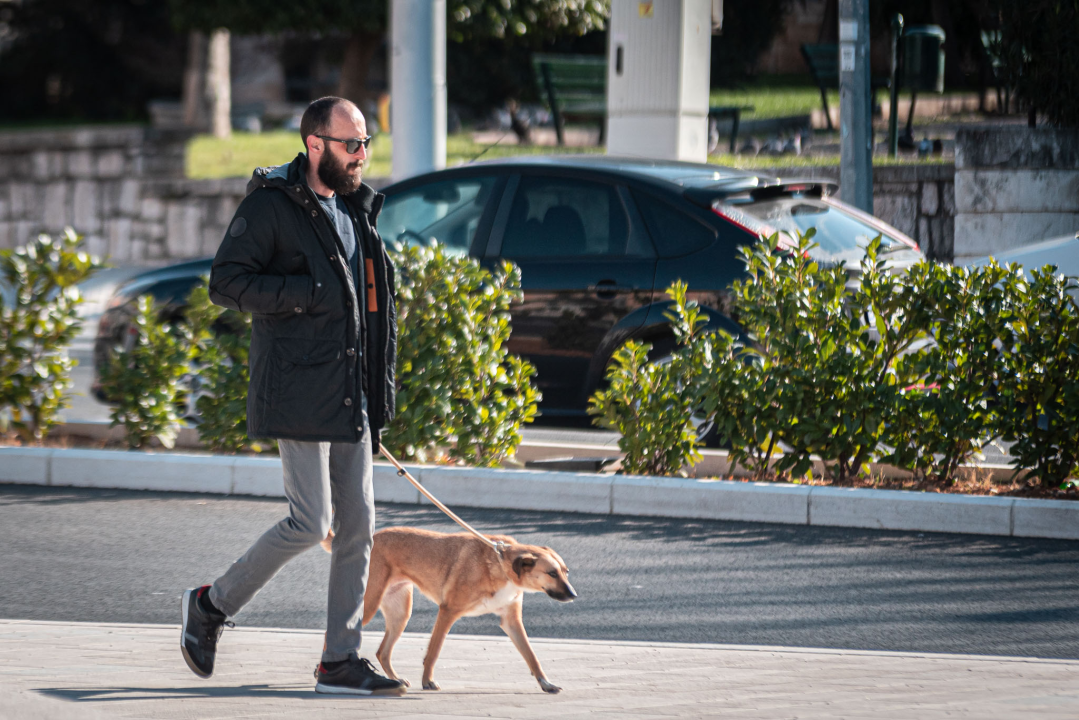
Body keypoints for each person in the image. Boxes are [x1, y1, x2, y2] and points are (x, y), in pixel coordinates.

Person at [179, 96, 403, 697]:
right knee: (312, 522)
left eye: (366, 144)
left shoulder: (357, 210)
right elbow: (225, 283)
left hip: (349, 391)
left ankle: (339, 660)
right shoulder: (272, 206)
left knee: (358, 527)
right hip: (299, 386)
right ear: (314, 145)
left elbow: (366, 310)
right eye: (351, 144)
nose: (362, 156)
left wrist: (376, 393)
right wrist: (303, 293)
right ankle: (210, 604)